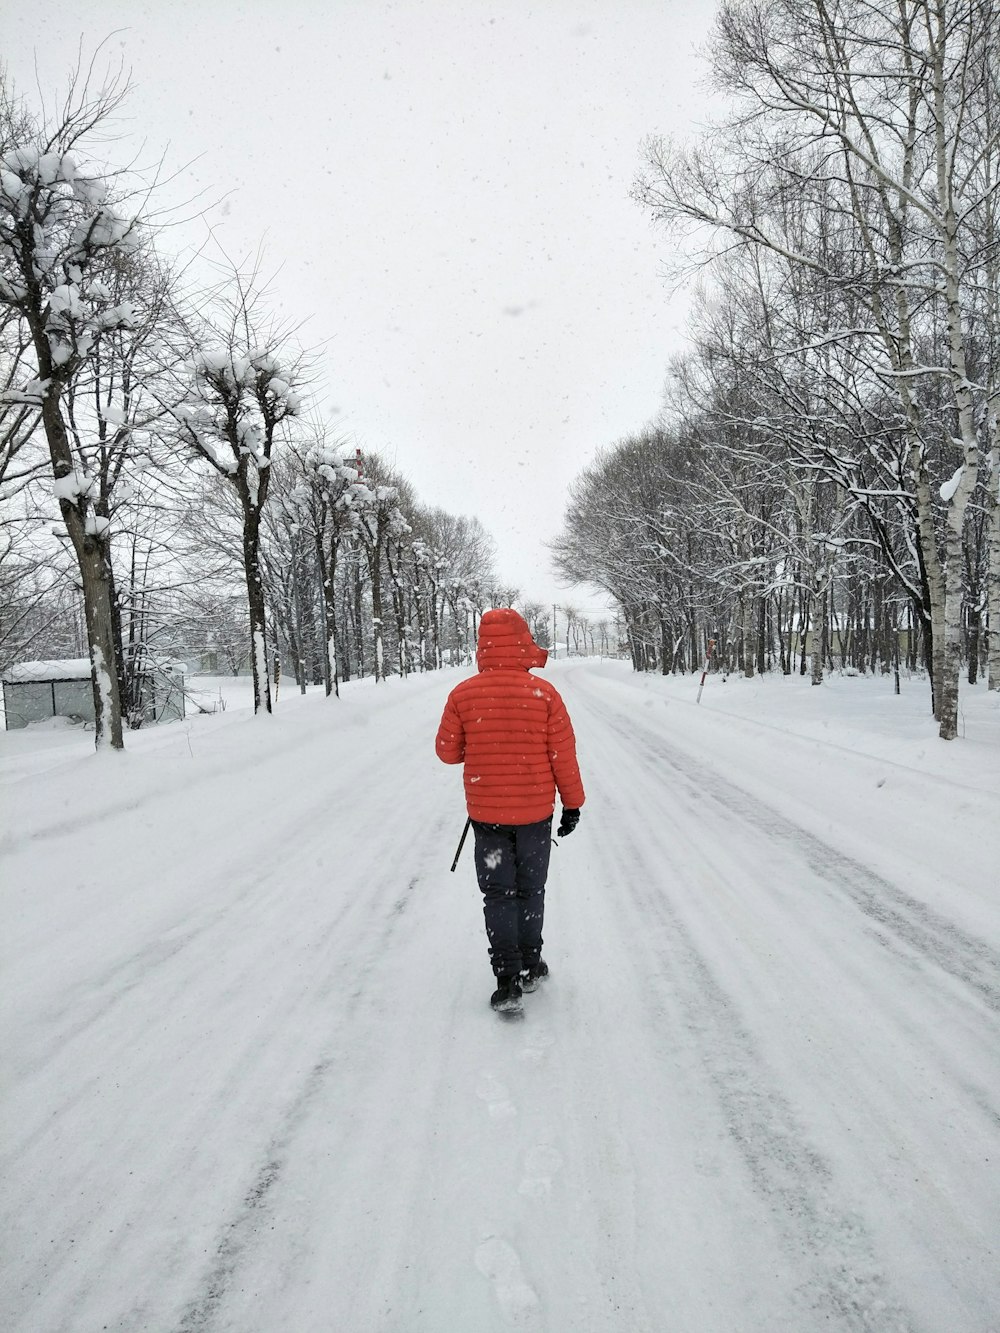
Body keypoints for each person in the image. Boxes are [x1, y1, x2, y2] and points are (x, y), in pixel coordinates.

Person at [435, 607, 585, 1013]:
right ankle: (531, 965)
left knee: (499, 892)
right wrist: (572, 804)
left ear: (483, 646)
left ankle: (506, 978)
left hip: (488, 818)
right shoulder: (544, 694)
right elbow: (563, 756)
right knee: (530, 888)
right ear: (522, 642)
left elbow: (447, 752)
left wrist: (479, 745)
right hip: (536, 814)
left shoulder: (463, 694)